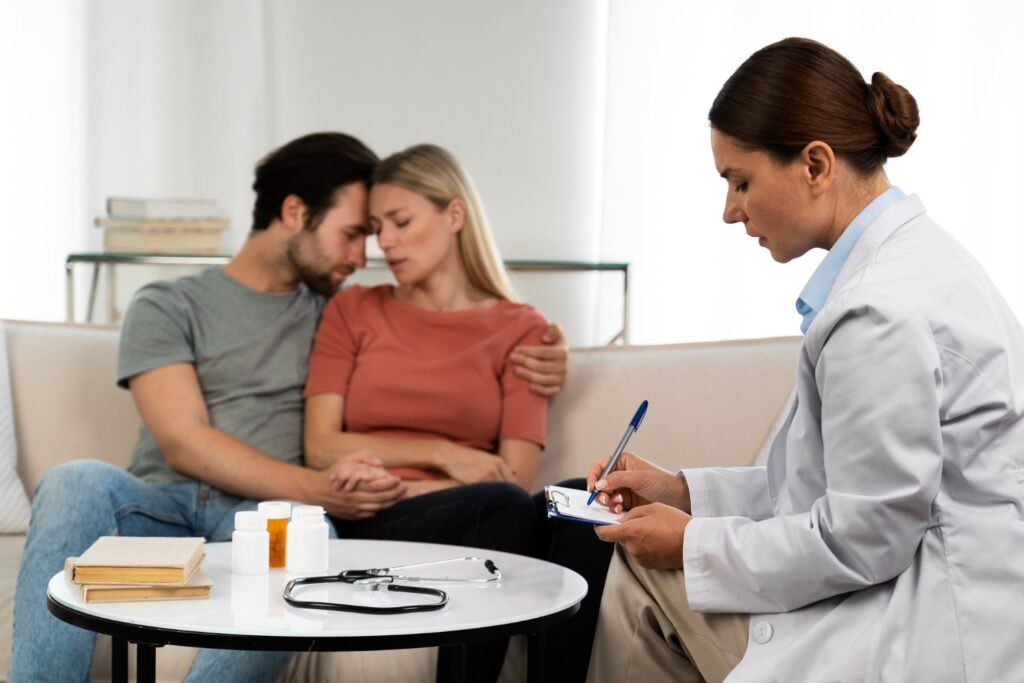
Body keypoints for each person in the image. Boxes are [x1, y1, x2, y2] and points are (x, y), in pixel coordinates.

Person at [9, 132, 569, 683]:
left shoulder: (335, 309)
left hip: (270, 515)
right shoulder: (167, 303)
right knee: (72, 480)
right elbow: (184, 442)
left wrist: (547, 347)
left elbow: (430, 338)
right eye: (353, 234)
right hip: (161, 505)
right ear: (296, 212)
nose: (364, 256)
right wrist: (320, 490)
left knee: (312, 538)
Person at [585, 37, 1024, 683]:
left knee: (636, 575)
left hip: (924, 629)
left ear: (816, 164)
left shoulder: (876, 310)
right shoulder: (917, 264)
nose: (730, 210)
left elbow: (864, 537)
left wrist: (691, 542)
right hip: (948, 594)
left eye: (741, 181)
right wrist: (683, 492)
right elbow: (830, 488)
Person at [303, 143, 613, 682]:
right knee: (498, 506)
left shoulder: (522, 329)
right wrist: (443, 455)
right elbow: (320, 445)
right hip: (376, 512)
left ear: (453, 214)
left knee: (583, 503)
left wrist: (456, 483)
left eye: (401, 221)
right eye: (377, 227)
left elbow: (514, 475)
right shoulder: (352, 309)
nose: (385, 242)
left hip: (484, 514)